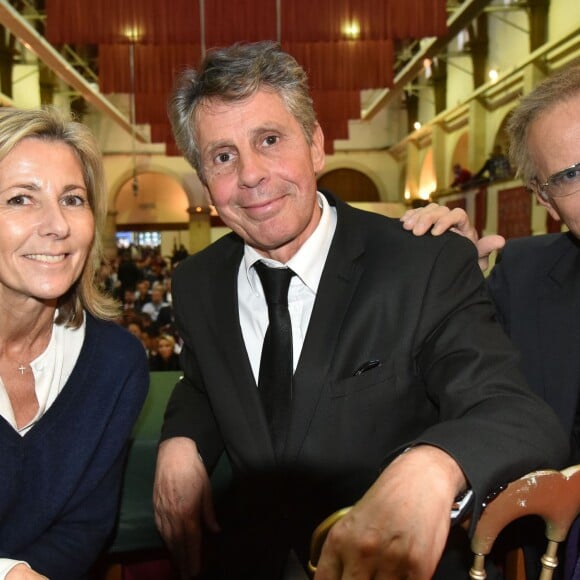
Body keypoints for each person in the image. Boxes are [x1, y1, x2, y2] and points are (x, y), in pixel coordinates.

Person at [152, 41, 568, 580]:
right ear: (205, 180)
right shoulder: (197, 282)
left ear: (317, 145)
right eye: (223, 156)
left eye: (270, 140)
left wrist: (435, 464)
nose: (251, 174)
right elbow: (207, 380)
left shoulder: (422, 261)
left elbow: (517, 414)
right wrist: (181, 443)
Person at [401, 62, 580, 579]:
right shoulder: (522, 277)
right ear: (544, 197)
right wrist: (455, 294)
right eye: (572, 173)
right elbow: (452, 402)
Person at [0, 106, 149, 580]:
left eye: (73, 199)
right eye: (21, 199)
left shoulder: (115, 364)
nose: (57, 225)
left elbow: (85, 525)